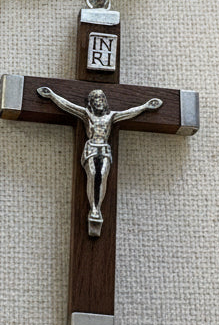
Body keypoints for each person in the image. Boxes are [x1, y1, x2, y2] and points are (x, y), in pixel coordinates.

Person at [35, 86, 162, 237]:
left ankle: (97, 208)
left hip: (105, 150)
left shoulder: (112, 116)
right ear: (91, 103)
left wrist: (146, 106)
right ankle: (94, 209)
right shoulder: (86, 114)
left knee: (101, 177)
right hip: (91, 149)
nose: (99, 102)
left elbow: (129, 113)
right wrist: (52, 96)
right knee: (93, 175)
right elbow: (68, 105)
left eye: (102, 99)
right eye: (96, 100)